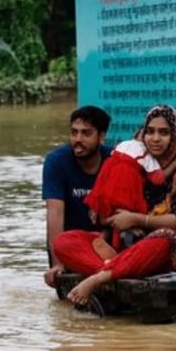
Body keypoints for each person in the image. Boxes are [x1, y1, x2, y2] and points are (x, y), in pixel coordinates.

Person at [53, 105, 176, 306]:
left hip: (168, 252)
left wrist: (137, 219)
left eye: (163, 133)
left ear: (175, 136)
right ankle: (115, 268)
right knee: (65, 241)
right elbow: (98, 213)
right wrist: (112, 218)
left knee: (166, 238)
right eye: (150, 131)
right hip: (122, 249)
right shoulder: (130, 163)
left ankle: (99, 278)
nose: (155, 138)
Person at [42, 105, 113, 288]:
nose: (78, 140)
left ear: (102, 136)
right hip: (68, 246)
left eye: (86, 133)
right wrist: (58, 263)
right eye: (74, 133)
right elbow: (55, 213)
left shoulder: (114, 161)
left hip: (104, 242)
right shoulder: (56, 161)